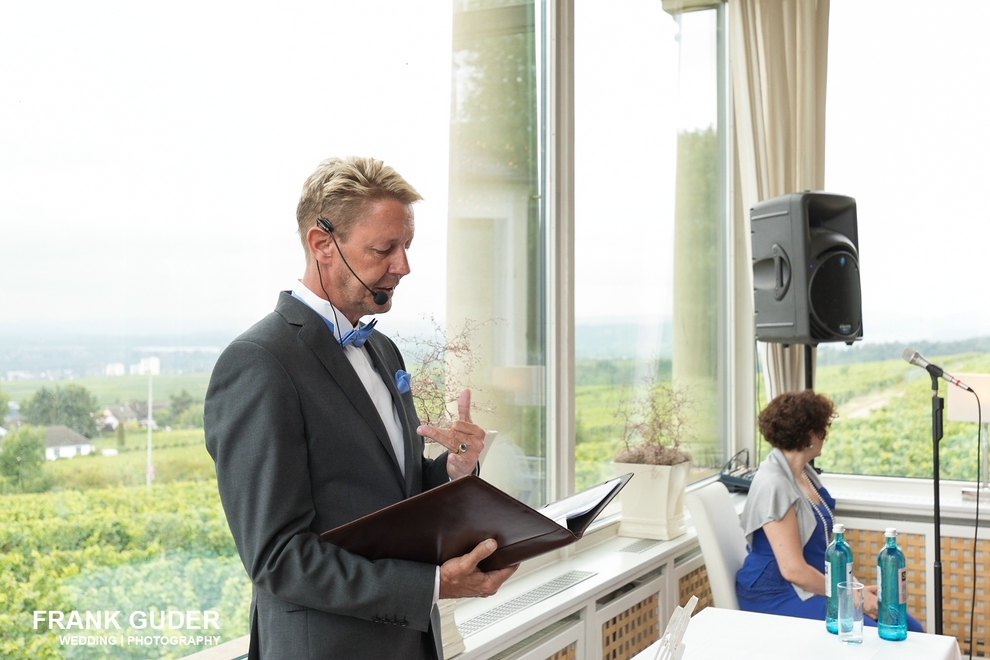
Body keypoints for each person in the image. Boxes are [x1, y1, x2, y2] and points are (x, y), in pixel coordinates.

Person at [205, 156, 518, 660]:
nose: (403, 266)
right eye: (384, 249)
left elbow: (393, 494)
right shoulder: (258, 363)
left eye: (407, 247)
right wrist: (431, 587)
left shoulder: (382, 350)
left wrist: (453, 472)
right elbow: (277, 558)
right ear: (322, 244)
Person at [735, 389, 923, 632]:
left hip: (815, 585)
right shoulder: (774, 484)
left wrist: (856, 590)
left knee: (909, 626)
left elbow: (827, 547)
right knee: (872, 632)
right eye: (823, 428)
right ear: (809, 434)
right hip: (777, 593)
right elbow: (793, 570)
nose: (826, 435)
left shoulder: (804, 473)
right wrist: (852, 597)